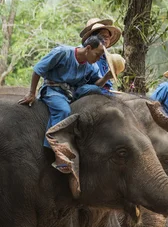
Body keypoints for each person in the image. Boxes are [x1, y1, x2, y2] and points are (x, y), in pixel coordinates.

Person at [18, 35, 113, 172]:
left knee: (94, 89)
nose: (98, 59)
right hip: (53, 89)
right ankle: (57, 150)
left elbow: (95, 83)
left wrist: (106, 77)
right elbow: (38, 69)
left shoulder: (90, 66)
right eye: (97, 55)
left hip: (72, 91)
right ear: (88, 48)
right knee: (63, 111)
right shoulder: (63, 53)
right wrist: (31, 93)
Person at [80, 18, 122, 91]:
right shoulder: (85, 52)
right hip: (92, 89)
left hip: (106, 88)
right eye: (102, 36)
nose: (105, 39)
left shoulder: (106, 56)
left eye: (107, 37)